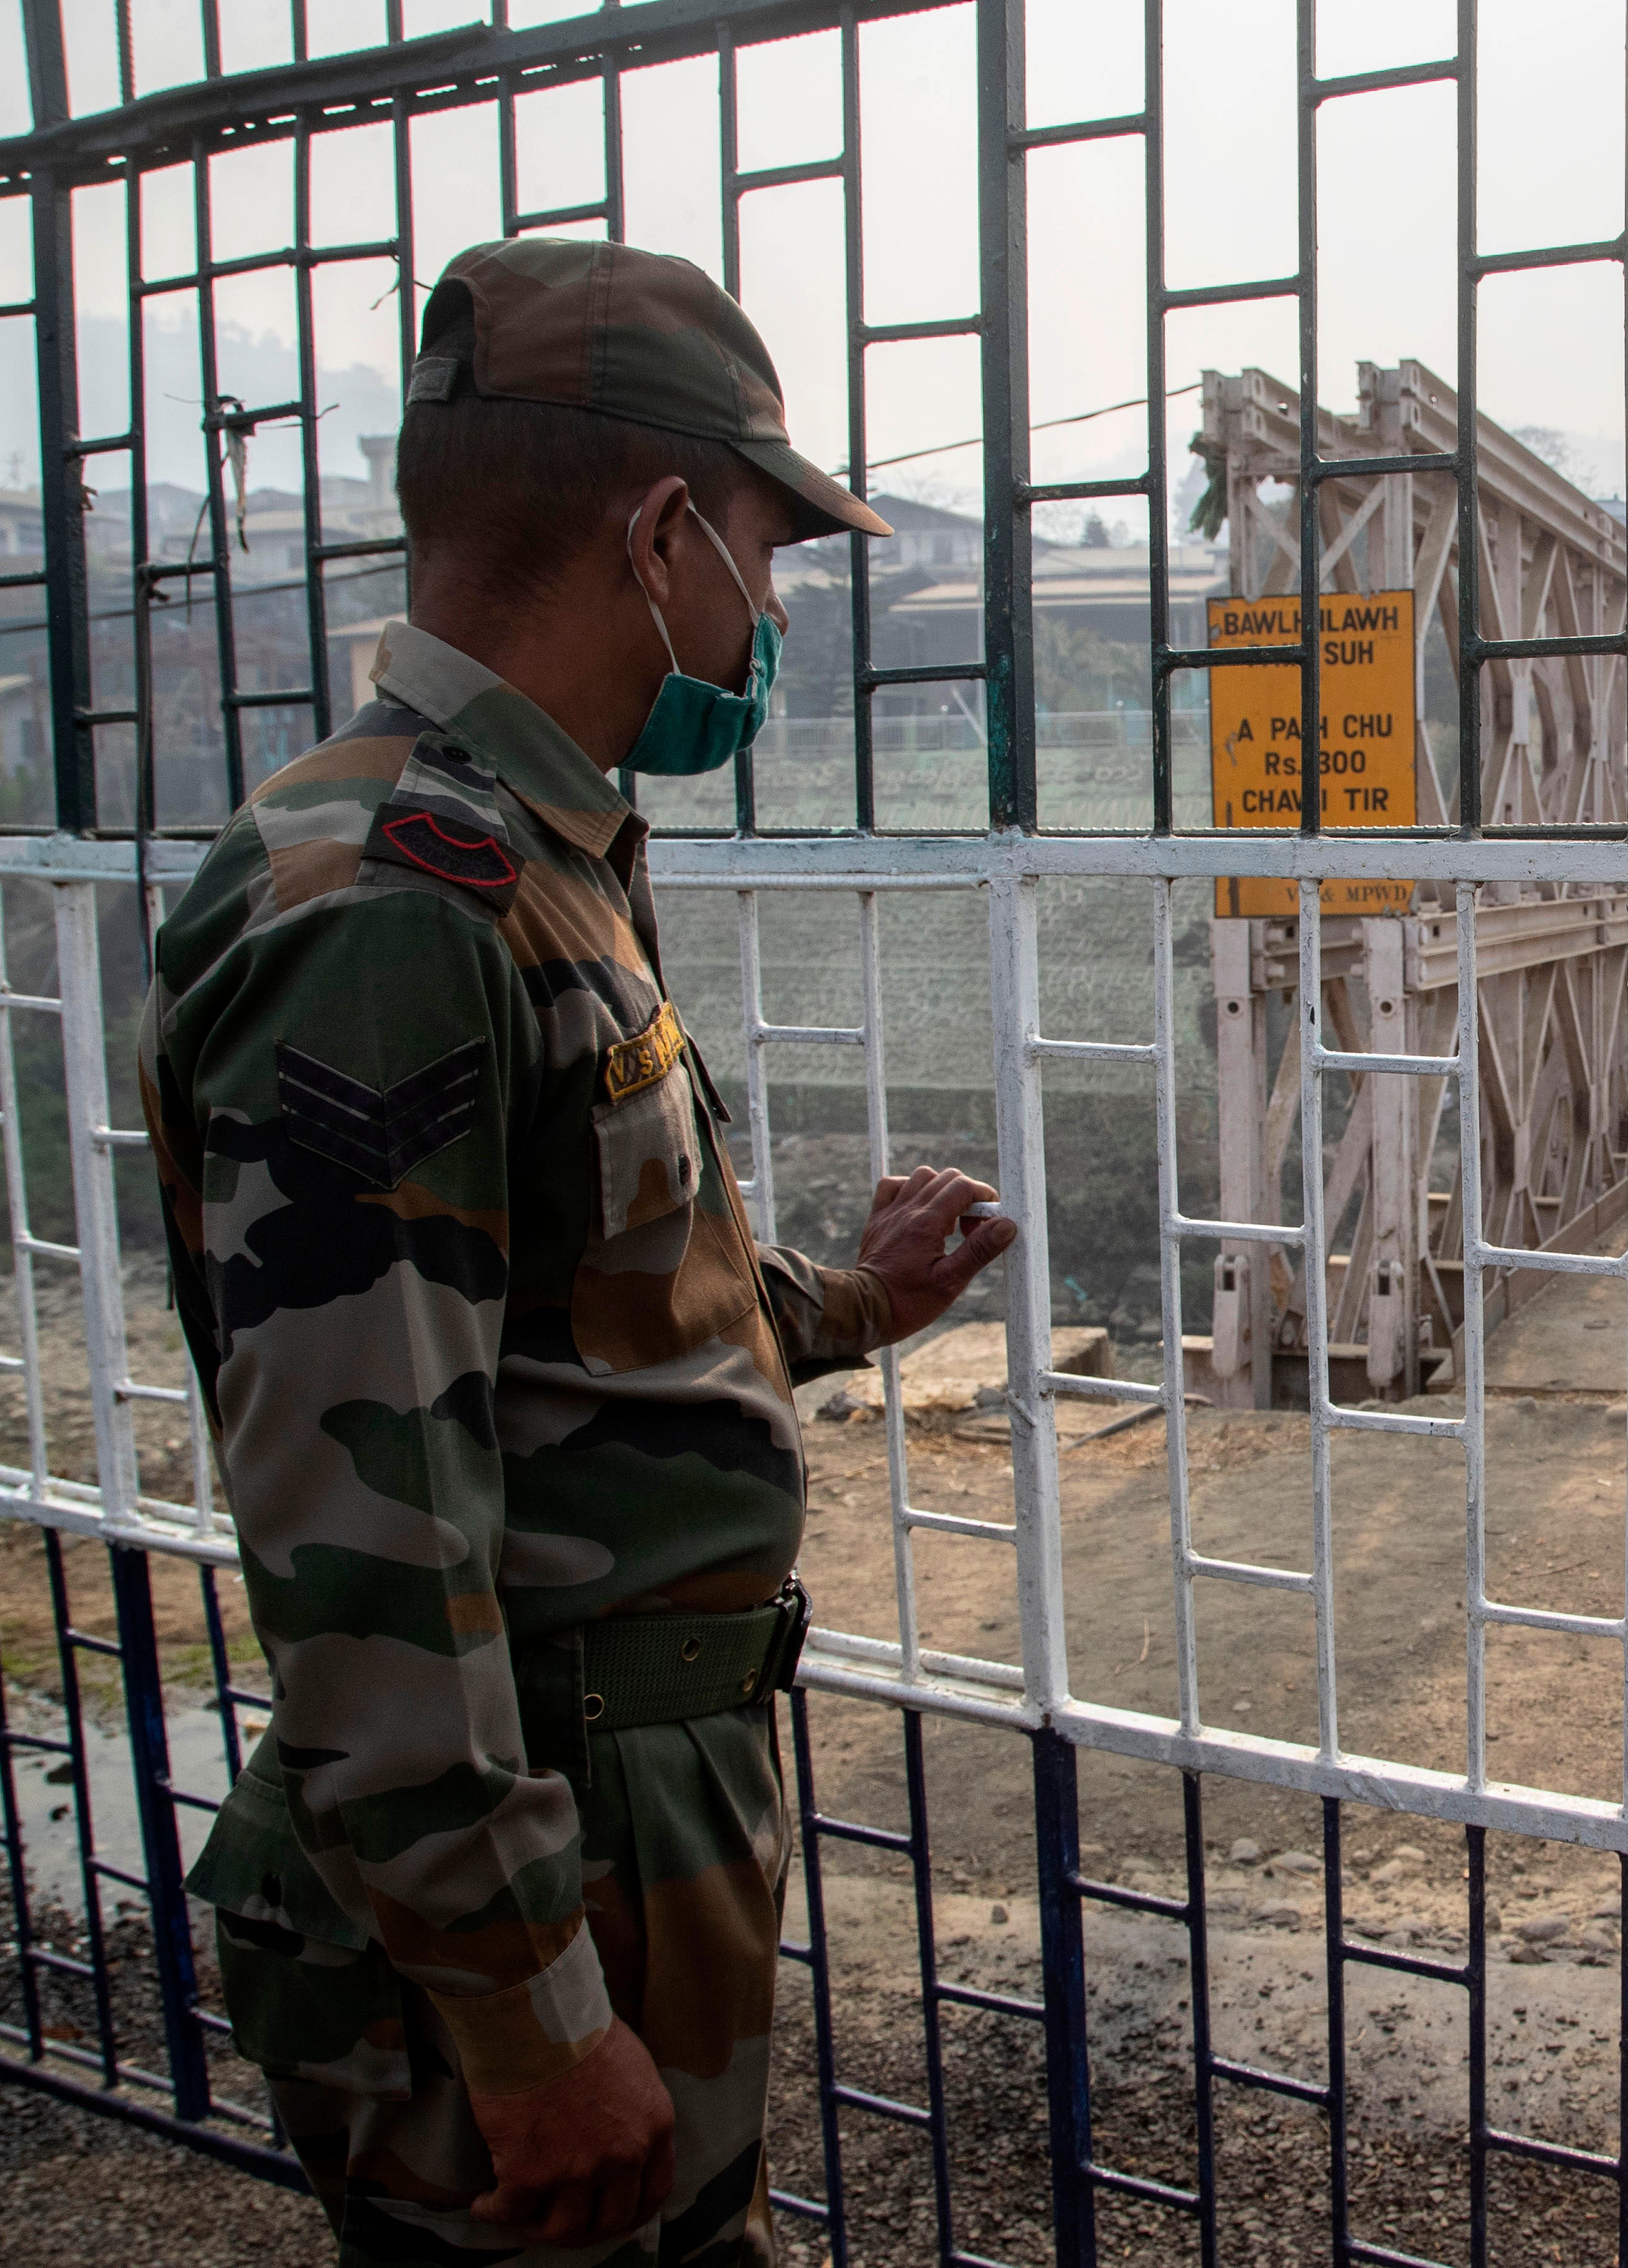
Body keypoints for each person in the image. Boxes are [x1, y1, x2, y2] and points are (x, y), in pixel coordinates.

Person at [138, 236, 1015, 2266]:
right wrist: (530, 2022)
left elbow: (580, 1330)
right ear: (662, 532)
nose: (768, 608)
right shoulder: (391, 908)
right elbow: (368, 1528)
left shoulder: (528, 860)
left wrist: (867, 1298)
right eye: (766, 555)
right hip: (545, 1840)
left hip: (621, 1808)